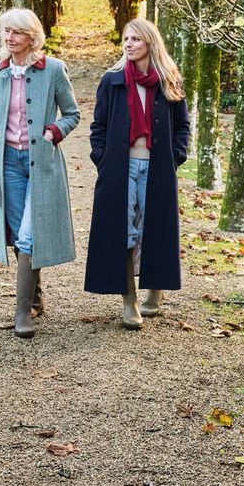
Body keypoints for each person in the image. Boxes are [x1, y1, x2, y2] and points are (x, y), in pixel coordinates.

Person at [84, 19, 189, 329]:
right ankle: (129, 301)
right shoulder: (112, 80)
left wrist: (175, 156)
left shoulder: (168, 79)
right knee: (123, 230)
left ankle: (155, 293)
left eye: (135, 39)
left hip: (157, 166)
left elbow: (181, 125)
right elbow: (98, 126)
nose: (128, 44)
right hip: (121, 166)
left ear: (150, 42)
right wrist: (103, 159)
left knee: (155, 228)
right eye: (126, 39)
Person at [0, 8, 80, 337]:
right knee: (19, 234)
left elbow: (73, 113)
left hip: (41, 163)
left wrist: (53, 131)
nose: (10, 38)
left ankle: (22, 313)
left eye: (17, 32)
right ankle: (35, 299)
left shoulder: (53, 69)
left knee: (28, 235)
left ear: (32, 37)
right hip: (8, 163)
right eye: (6, 31)